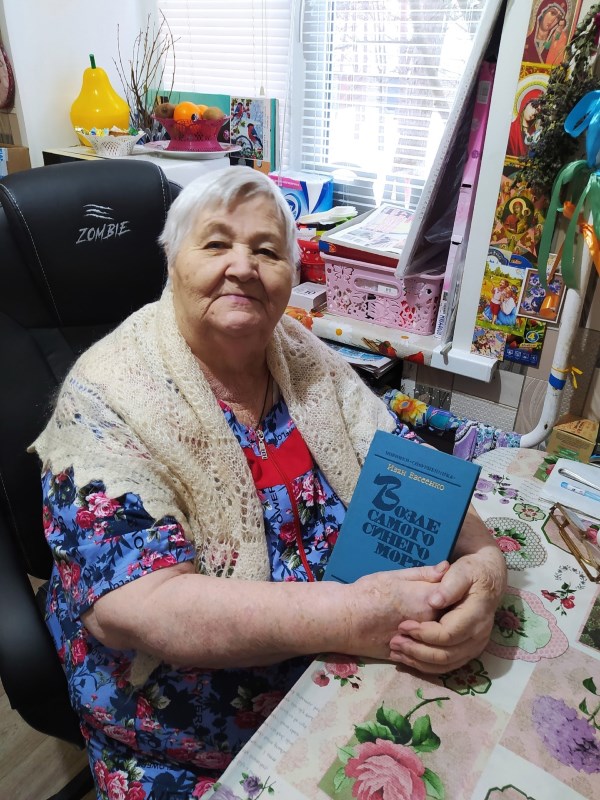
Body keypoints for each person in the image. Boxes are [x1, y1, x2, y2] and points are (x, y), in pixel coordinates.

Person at [32, 168, 507, 799]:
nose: (243, 267)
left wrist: (484, 562)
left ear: (292, 273)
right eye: (215, 244)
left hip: (342, 678)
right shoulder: (106, 393)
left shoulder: (301, 354)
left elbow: (415, 470)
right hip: (186, 742)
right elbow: (137, 608)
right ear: (172, 259)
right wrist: (352, 617)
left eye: (267, 251)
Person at [507, 89, 543, 159]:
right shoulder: (510, 129)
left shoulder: (535, 134)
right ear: (525, 104)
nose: (534, 112)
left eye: (538, 110)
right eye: (533, 106)